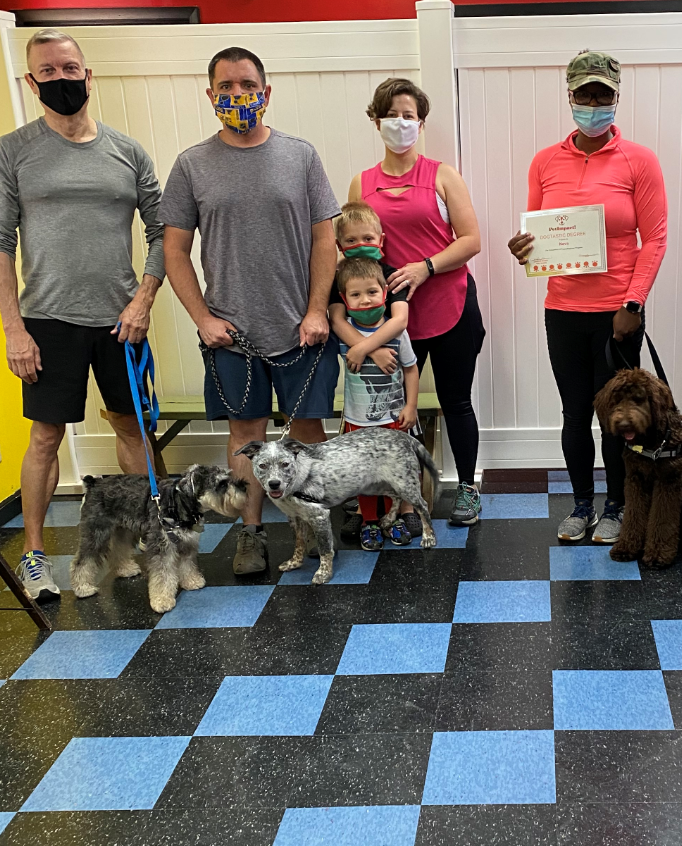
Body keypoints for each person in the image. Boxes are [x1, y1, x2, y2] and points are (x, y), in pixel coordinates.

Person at [161, 45, 340, 575]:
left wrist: (316, 310)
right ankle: (251, 534)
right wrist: (202, 319)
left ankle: (317, 525)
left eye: (247, 85)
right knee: (245, 437)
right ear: (211, 94)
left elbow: (324, 239)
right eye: (226, 87)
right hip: (230, 334)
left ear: (266, 92)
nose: (237, 95)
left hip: (299, 329)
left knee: (308, 430)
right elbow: (174, 250)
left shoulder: (301, 156)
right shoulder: (191, 165)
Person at [0, 28, 165, 603]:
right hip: (45, 320)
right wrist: (13, 328)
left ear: (87, 74)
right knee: (45, 437)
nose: (61, 80)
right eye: (48, 72)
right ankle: (36, 556)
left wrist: (143, 299)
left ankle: (128, 546)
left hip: (121, 319)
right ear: (31, 80)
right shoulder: (13, 151)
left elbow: (163, 231)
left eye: (70, 70)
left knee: (131, 428)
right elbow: (0, 243)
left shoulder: (127, 151)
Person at [507, 50, 667, 545]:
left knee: (619, 419)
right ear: (570, 96)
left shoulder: (639, 160)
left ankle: (618, 508)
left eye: (603, 94)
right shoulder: (544, 161)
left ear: (617, 97)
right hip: (562, 311)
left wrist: (632, 305)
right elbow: (535, 232)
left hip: (618, 315)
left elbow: (655, 237)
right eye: (584, 94)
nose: (593, 103)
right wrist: (523, 249)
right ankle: (581, 505)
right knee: (575, 413)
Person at [348, 78, 484, 527]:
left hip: (450, 307)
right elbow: (352, 253)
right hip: (386, 320)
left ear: (421, 123)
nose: (400, 123)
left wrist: (426, 266)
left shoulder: (443, 175)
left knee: (455, 400)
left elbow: (471, 240)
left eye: (409, 115)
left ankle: (467, 487)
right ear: (375, 120)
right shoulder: (361, 184)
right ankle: (391, 499)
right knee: (388, 408)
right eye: (391, 114)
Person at [329, 254, 419, 550]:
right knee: (365, 477)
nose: (365, 300)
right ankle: (369, 523)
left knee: (393, 473)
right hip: (358, 421)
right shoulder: (344, 336)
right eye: (356, 295)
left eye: (371, 292)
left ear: (384, 292)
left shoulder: (397, 333)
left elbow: (410, 369)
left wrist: (411, 406)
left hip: (393, 418)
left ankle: (392, 519)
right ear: (344, 299)